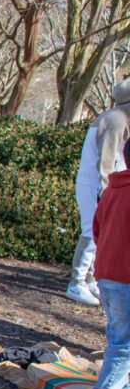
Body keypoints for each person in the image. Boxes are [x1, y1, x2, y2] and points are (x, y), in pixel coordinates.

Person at [67, 78, 130, 305]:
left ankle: (91, 279)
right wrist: (107, 193)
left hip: (106, 185)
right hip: (97, 184)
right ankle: (76, 282)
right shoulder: (116, 119)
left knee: (100, 233)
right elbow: (106, 161)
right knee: (91, 232)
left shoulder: (117, 116)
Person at [82, 140, 130, 389]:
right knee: (125, 344)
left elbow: (97, 229)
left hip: (108, 275)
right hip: (125, 277)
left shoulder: (113, 188)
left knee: (119, 338)